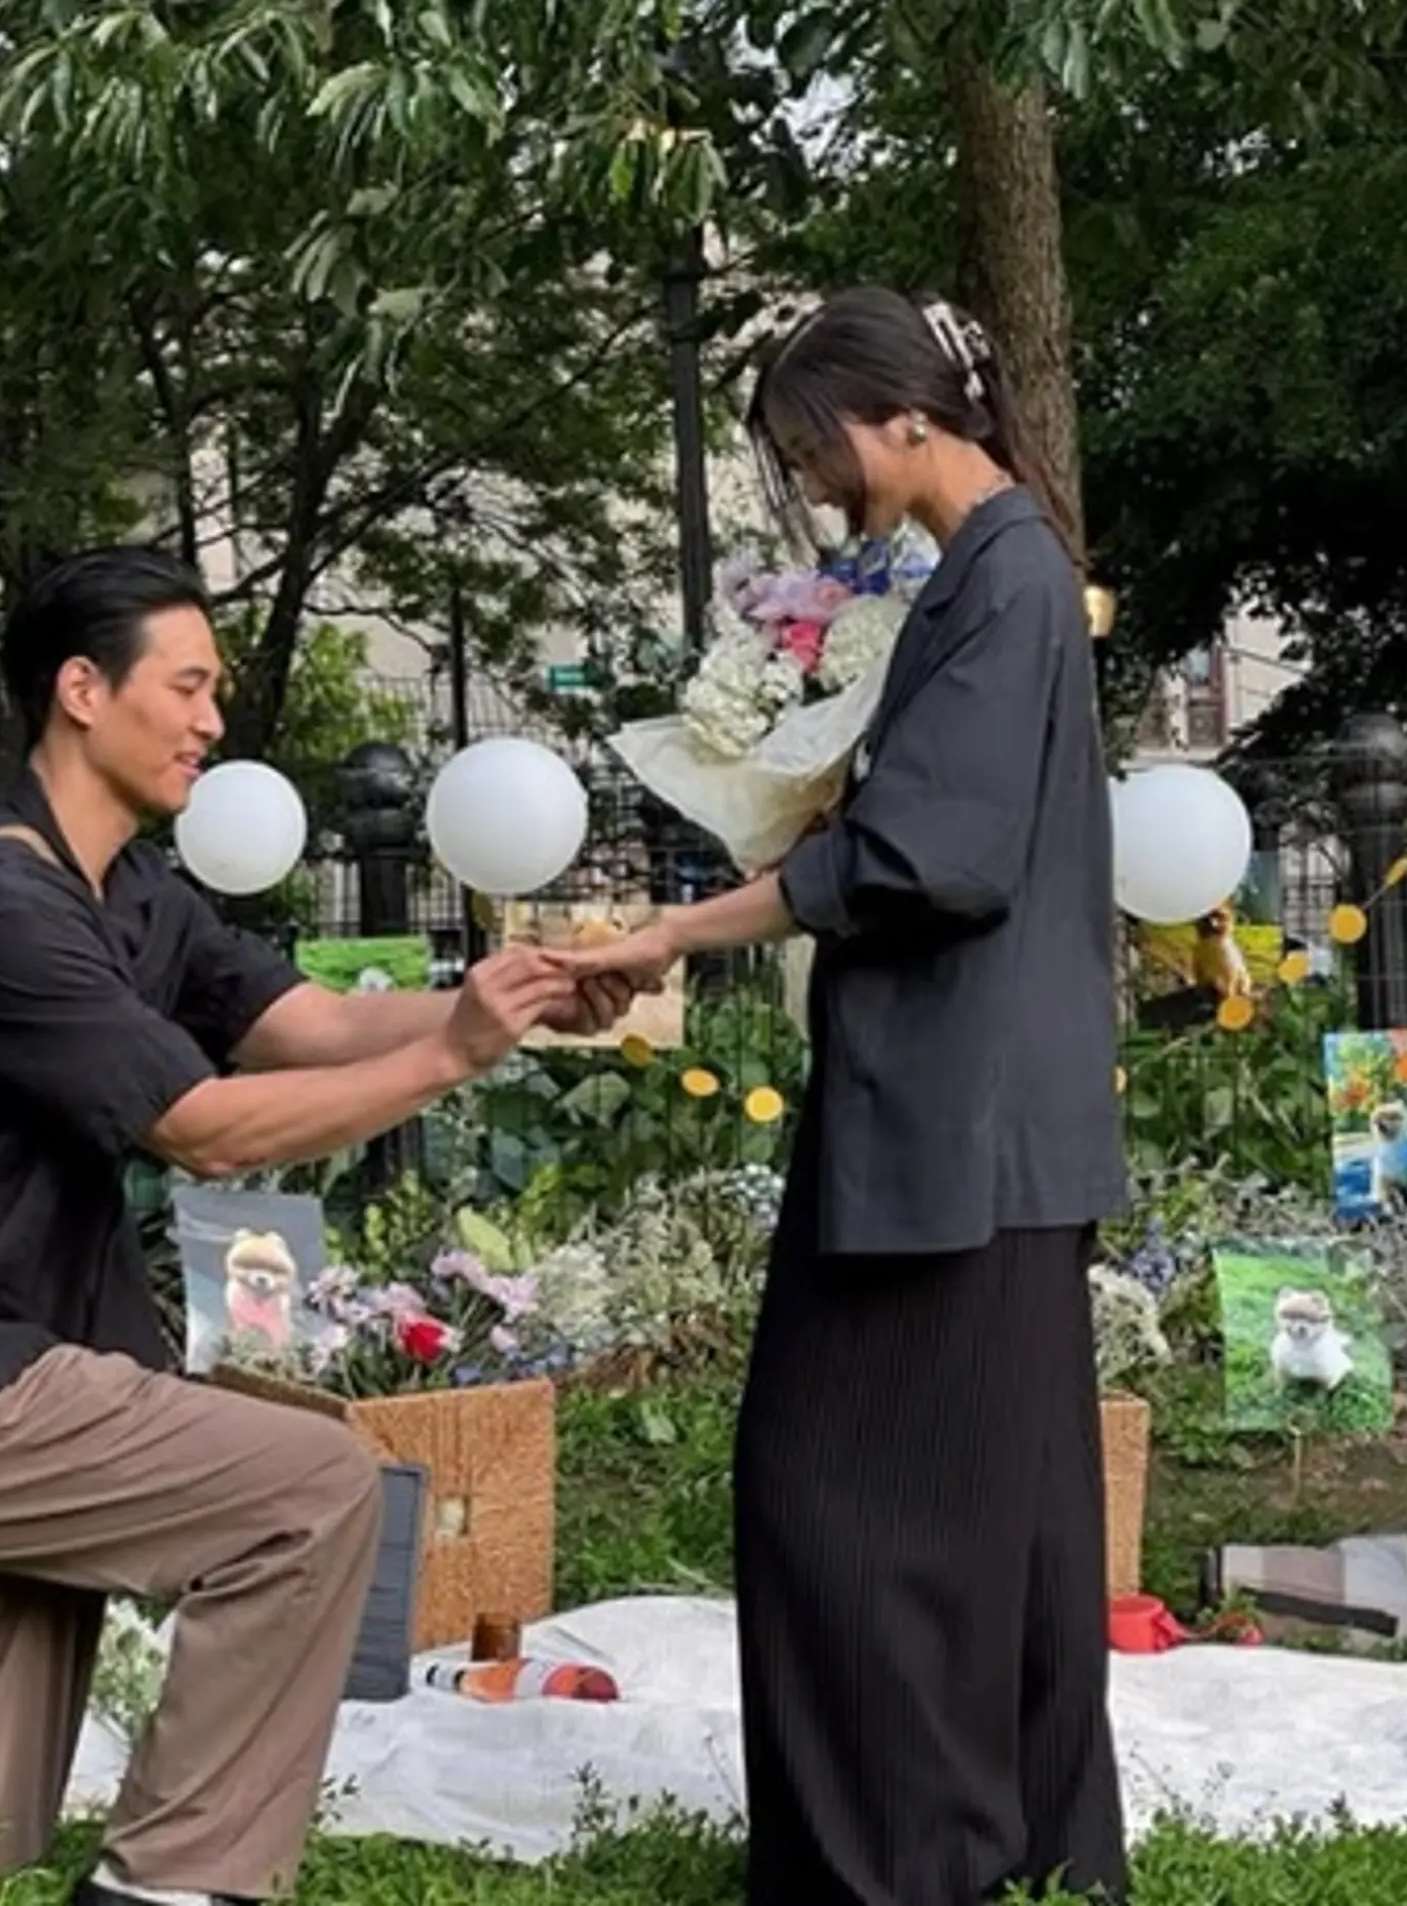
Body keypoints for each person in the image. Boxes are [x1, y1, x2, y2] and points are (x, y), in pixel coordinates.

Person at [0, 546, 626, 1906]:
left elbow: (318, 1027)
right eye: (191, 685)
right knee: (317, 1488)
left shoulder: (139, 896)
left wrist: (510, 1002)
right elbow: (204, 1125)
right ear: (82, 691)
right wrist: (454, 1056)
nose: (214, 722)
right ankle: (175, 1886)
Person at [552, 289, 1131, 1906]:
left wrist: (683, 922)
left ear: (904, 420)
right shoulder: (1002, 579)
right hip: (991, 1123)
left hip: (954, 1125)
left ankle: (900, 1865)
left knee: (836, 1495)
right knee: (1000, 1514)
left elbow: (922, 858)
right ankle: (1020, 1851)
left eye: (817, 452)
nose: (818, 490)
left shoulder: (1004, 586)